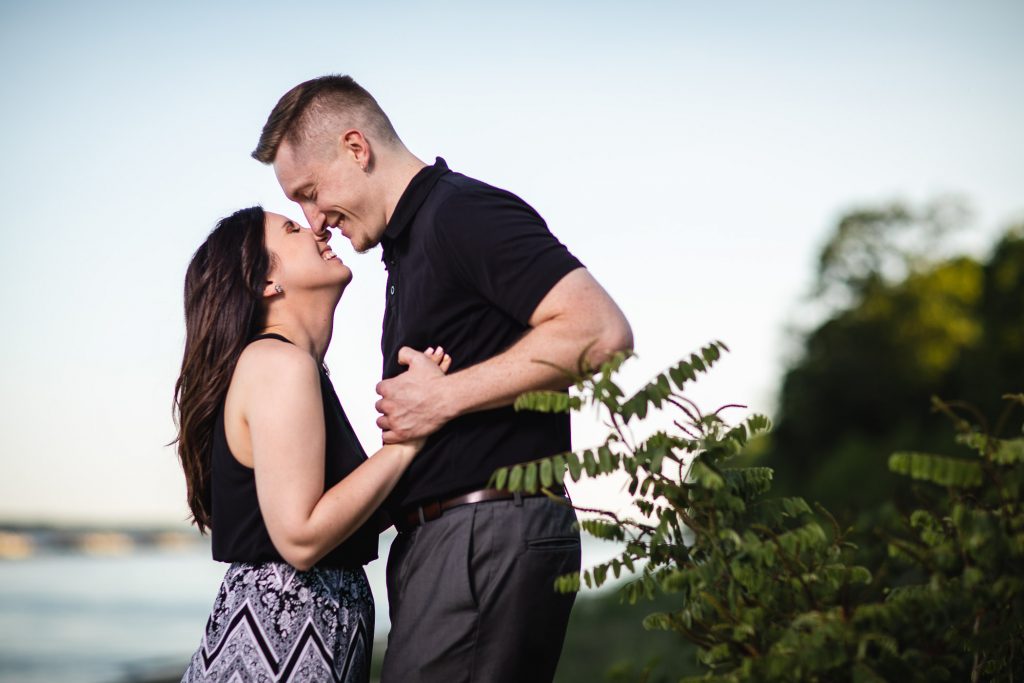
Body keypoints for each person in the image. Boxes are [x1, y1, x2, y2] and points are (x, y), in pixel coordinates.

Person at [252, 75, 634, 683]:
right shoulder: (410, 244)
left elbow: (601, 332)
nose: (313, 219)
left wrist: (446, 397)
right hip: (459, 542)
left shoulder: (461, 213)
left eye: (309, 192)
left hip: (482, 537)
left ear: (357, 148)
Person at [173, 206, 451, 683]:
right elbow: (300, 538)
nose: (317, 228)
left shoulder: (290, 366)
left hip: (305, 632)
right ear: (266, 283)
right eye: (292, 229)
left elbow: (341, 515)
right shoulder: (276, 364)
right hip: (280, 635)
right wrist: (408, 441)